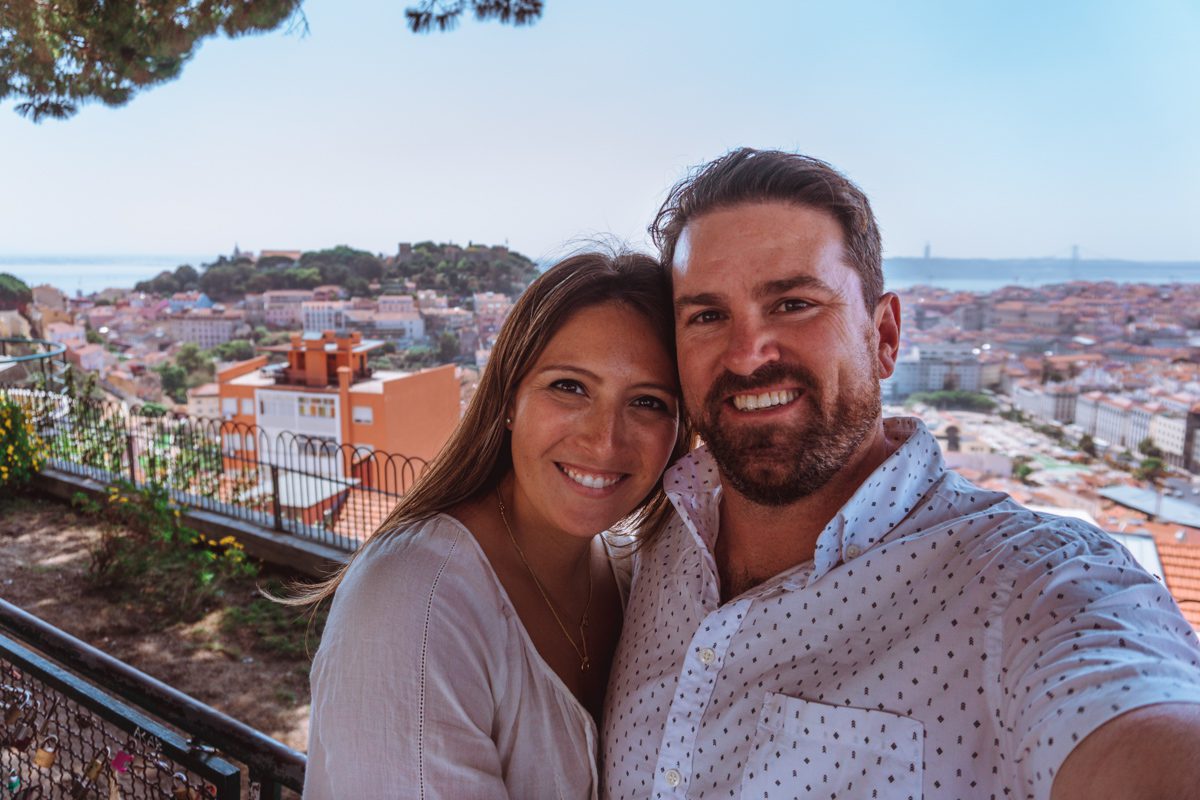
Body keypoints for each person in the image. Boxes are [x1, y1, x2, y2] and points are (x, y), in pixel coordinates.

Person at [601, 149, 1200, 799]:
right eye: (708, 316)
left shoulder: (1033, 586)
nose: (748, 355)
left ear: (884, 336)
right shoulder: (649, 551)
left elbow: (1136, 723)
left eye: (795, 303)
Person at [301, 251, 691, 799]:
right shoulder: (415, 602)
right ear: (510, 397)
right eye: (570, 387)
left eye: (649, 401)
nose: (606, 440)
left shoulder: (641, 577)